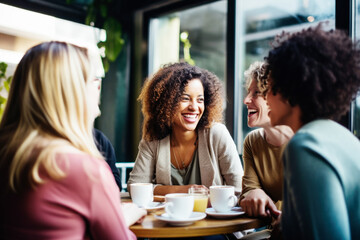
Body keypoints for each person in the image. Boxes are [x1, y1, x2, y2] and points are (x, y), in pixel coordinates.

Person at [0, 41, 146, 239]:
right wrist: (121, 219)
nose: (98, 86)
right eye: (91, 79)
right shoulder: (85, 170)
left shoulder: (7, 154)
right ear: (70, 93)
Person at [260, 24, 360, 239]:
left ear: (289, 87)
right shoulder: (343, 137)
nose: (266, 97)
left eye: (269, 87)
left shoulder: (305, 146)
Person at [128, 62, 243, 195]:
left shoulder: (217, 134)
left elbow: (239, 189)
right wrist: (185, 190)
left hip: (211, 216)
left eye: (200, 100)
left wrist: (158, 190)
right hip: (167, 216)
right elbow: (135, 187)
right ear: (166, 102)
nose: (194, 107)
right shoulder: (153, 139)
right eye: (185, 98)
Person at [240, 61, 293, 219]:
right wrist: (253, 192)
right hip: (270, 230)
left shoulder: (304, 143)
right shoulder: (252, 141)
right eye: (249, 92)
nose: (246, 100)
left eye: (256, 93)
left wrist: (264, 200)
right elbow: (247, 194)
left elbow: (307, 205)